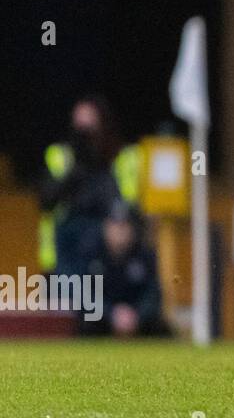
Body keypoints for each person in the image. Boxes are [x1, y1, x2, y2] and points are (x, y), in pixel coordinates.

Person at [39, 97, 136, 277]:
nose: (84, 136)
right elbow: (46, 201)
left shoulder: (121, 159)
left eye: (90, 128)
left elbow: (126, 206)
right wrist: (74, 171)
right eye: (79, 129)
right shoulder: (60, 156)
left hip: (106, 258)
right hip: (62, 256)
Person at [83, 201, 166, 337]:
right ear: (105, 227)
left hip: (138, 322)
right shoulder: (91, 253)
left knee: (160, 327)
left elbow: (153, 293)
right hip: (102, 322)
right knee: (87, 323)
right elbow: (85, 294)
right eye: (115, 225)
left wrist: (137, 314)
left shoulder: (145, 255)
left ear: (133, 229)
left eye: (125, 226)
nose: (120, 231)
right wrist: (111, 314)